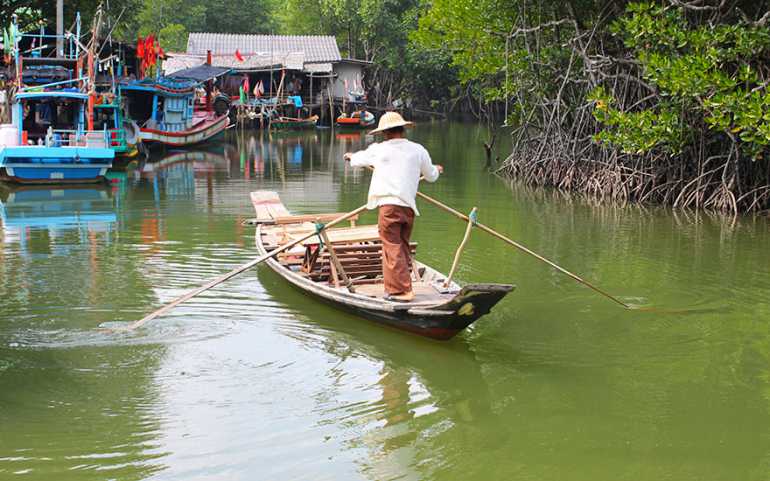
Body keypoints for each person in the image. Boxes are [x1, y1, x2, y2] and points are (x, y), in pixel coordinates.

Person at [344, 112, 443, 302]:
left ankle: (401, 292)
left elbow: (358, 159)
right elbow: (431, 175)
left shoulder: (379, 149)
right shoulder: (418, 150)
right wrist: (437, 170)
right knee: (401, 247)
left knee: (392, 248)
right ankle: (403, 286)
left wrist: (349, 156)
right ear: (402, 129)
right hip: (408, 208)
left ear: (384, 133)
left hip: (389, 208)